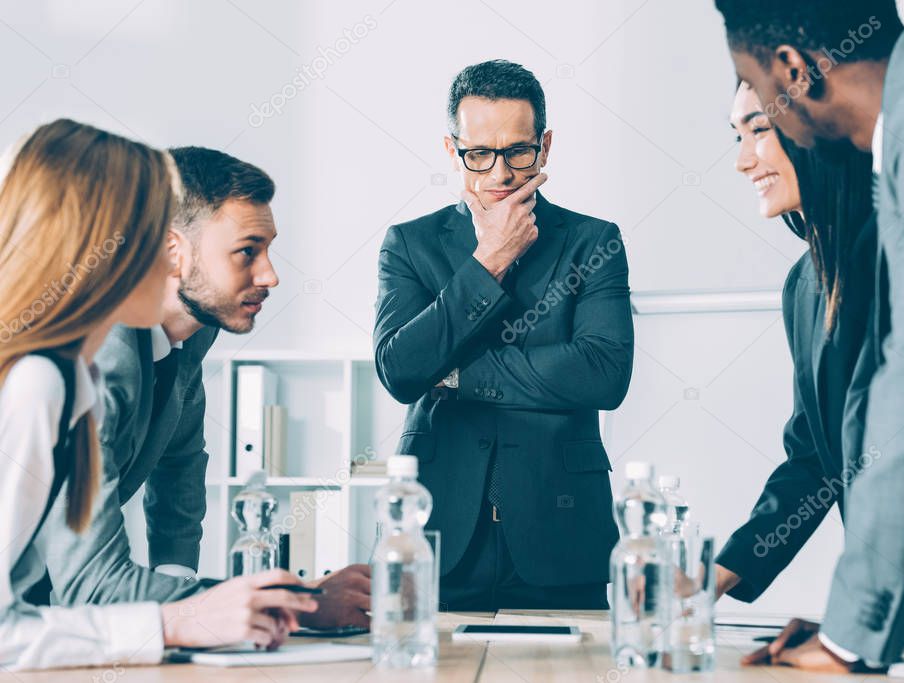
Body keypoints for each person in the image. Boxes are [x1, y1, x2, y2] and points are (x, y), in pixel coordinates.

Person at [715, 0, 904, 670]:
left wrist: (848, 637)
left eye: (760, 106)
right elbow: (830, 448)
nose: (743, 158)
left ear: (792, 69)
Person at [0, 119, 316, 672]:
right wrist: (185, 620)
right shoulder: (41, 381)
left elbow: (179, 466)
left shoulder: (67, 374)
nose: (168, 257)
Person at [38, 146, 371, 629]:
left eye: (268, 249)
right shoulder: (95, 355)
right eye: (246, 252)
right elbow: (93, 586)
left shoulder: (190, 331)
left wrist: (181, 593)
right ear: (174, 252)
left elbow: (179, 459)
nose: (270, 275)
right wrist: (302, 602)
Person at [373, 59, 633, 610]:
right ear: (452, 151)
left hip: (561, 531)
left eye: (519, 151)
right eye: (479, 155)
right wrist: (489, 260)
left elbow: (604, 374)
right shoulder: (409, 244)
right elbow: (400, 370)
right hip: (436, 532)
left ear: (545, 146)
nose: (500, 174)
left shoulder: (593, 242)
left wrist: (458, 374)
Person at [715, 82, 876, 613]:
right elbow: (815, 457)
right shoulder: (804, 283)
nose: (743, 161)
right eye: (738, 135)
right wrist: (714, 575)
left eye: (759, 129)